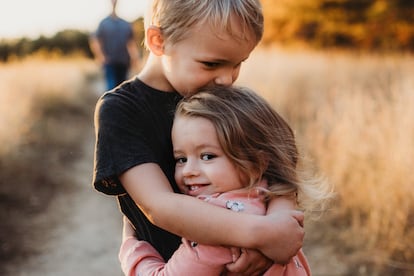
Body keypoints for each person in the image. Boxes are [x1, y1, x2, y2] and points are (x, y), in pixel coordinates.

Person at [93, 1, 304, 274]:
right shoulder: (122, 110)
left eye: (237, 64)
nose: (227, 79)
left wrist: (277, 226)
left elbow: (280, 170)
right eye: (211, 64)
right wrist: (261, 234)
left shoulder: (221, 100)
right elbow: (159, 205)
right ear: (159, 41)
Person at [119, 86, 332, 275]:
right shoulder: (269, 200)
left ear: (256, 162)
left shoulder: (214, 231)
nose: (189, 171)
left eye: (207, 156)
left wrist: (131, 246)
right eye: (181, 159)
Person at [89, 0, 139, 90]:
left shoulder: (125, 24)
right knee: (111, 88)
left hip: (123, 61)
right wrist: (100, 56)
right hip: (109, 62)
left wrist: (134, 58)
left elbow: (131, 43)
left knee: (122, 89)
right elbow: (95, 40)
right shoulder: (103, 23)